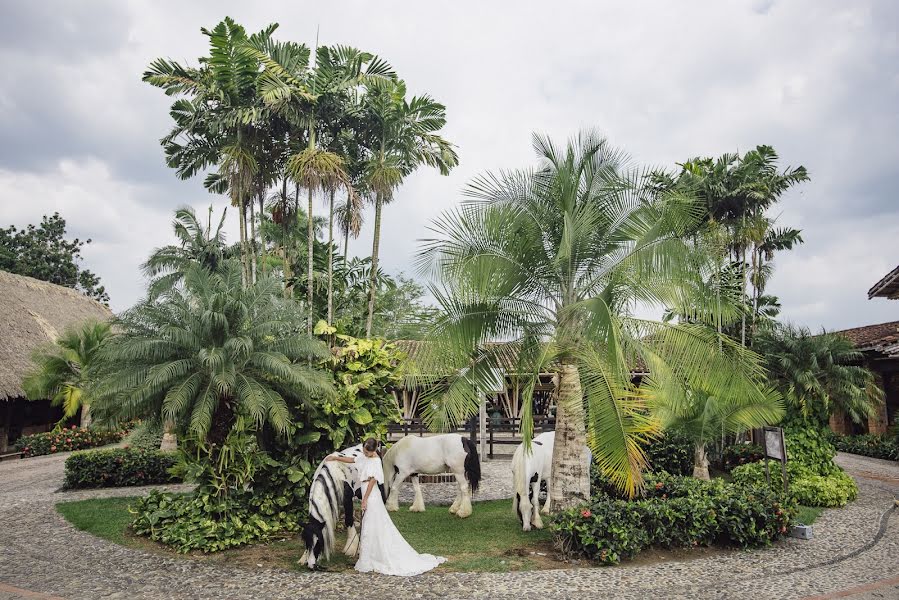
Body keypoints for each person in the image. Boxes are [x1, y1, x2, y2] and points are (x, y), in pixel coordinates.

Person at [325, 438, 446, 576]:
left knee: (372, 523)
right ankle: (369, 555)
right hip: (365, 490)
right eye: (364, 450)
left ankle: (375, 556)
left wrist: (364, 500)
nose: (364, 454)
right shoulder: (364, 456)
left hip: (371, 494)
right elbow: (353, 460)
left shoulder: (376, 461)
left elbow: (372, 481)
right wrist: (335, 458)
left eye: (367, 452)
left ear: (373, 451)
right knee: (368, 525)